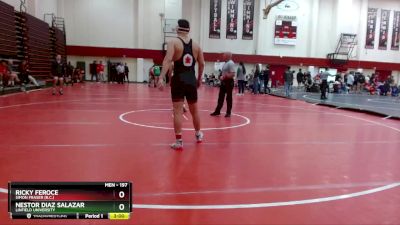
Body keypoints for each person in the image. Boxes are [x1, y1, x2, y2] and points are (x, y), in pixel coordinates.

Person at [157, 19, 205, 150]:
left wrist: (161, 77)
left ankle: (179, 142)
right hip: (191, 79)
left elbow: (167, 60)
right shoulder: (196, 45)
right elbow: (202, 64)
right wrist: (199, 79)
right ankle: (198, 134)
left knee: (177, 111)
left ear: (178, 29)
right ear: (189, 30)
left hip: (178, 79)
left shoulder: (173, 42)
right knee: (194, 111)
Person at [211, 52, 236, 117]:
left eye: (224, 55)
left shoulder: (231, 63)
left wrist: (224, 76)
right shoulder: (226, 63)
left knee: (229, 98)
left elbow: (232, 74)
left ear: (228, 56)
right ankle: (217, 111)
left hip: (229, 82)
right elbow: (224, 73)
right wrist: (220, 76)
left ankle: (228, 113)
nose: (223, 56)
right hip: (224, 82)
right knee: (220, 97)